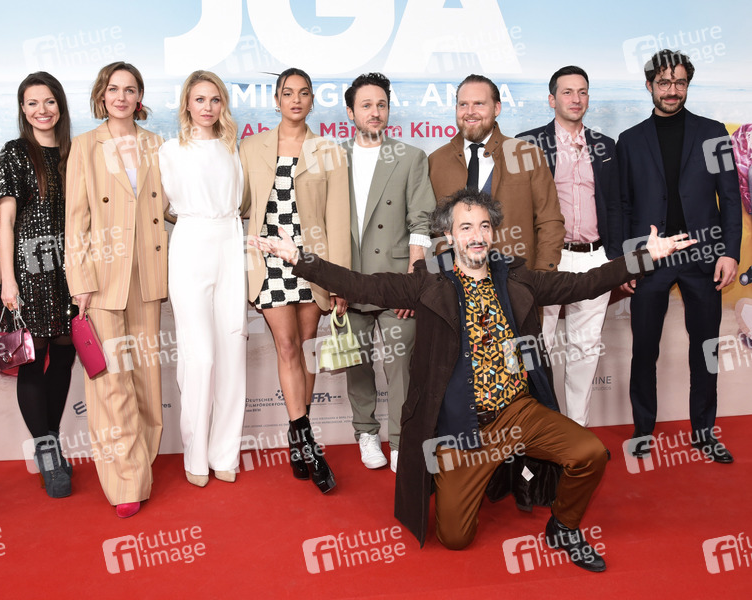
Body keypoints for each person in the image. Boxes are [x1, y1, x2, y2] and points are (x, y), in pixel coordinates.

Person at [251, 188, 694, 571]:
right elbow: (362, 285)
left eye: (484, 226)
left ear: (493, 232)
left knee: (590, 453)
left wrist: (642, 258)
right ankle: (477, 475)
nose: (477, 235)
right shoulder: (428, 284)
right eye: (466, 227)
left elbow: (583, 283)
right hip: (460, 429)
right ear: (449, 235)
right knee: (455, 537)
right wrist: (299, 259)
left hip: (517, 412)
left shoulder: (517, 279)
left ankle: (563, 526)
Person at [618, 50, 742, 463]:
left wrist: (729, 253)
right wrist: (628, 260)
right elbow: (623, 206)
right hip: (650, 258)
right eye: (664, 83)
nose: (672, 91)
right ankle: (642, 431)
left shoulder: (713, 133)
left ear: (687, 84)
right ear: (649, 85)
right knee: (644, 351)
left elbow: (730, 198)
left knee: (705, 350)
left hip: (703, 256)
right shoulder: (629, 140)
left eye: (680, 83)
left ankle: (704, 433)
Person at [239, 67, 351, 494]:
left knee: (305, 349)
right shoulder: (251, 147)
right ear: (276, 100)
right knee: (286, 346)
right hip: (270, 261)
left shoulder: (329, 150)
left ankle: (296, 436)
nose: (296, 100)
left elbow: (338, 219)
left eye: (304, 93)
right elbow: (241, 202)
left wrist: (339, 281)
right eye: (288, 93)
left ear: (311, 100)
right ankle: (306, 442)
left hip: (312, 263)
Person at [64, 61, 168, 518]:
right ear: (101, 95)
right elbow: (76, 220)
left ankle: (141, 462)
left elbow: (169, 206)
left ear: (139, 97)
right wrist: (80, 281)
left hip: (148, 274)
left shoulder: (157, 144)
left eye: (129, 89)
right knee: (111, 383)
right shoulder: (85, 146)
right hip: (103, 277)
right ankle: (125, 479)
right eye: (113, 89)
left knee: (146, 377)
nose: (121, 97)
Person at [516, 66, 622, 426]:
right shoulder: (527, 144)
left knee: (585, 349)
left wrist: (616, 258)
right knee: (538, 348)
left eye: (582, 92)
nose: (576, 99)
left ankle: (577, 431)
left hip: (594, 258)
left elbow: (617, 204)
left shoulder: (606, 146)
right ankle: (540, 435)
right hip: (548, 260)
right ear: (552, 99)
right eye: (567, 92)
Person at [341, 72, 435, 472]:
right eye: (366, 105)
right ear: (351, 112)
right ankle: (365, 431)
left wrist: (414, 282)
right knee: (356, 362)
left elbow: (421, 221)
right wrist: (333, 280)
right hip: (349, 279)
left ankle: (400, 440)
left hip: (397, 281)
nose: (375, 112)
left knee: (401, 366)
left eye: (381, 104)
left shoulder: (410, 157)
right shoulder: (333, 158)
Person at [159, 70, 246, 488]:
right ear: (186, 104)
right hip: (190, 243)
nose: (207, 107)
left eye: (214, 99)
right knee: (200, 356)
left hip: (230, 241)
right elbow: (160, 206)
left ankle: (224, 452)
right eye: (199, 99)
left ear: (222, 104)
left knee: (232, 351)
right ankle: (194, 454)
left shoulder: (232, 149)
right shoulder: (169, 150)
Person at [0, 71, 77, 498]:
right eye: (32, 103)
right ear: (22, 109)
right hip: (30, 273)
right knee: (33, 359)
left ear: (60, 105)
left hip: (70, 272)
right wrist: (8, 281)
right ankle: (47, 454)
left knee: (64, 357)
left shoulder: (74, 152)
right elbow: (5, 221)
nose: (41, 110)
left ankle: (53, 440)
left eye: (48, 101)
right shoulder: (15, 153)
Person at [429, 74, 564, 271]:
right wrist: (442, 277)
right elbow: (431, 230)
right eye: (463, 104)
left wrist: (542, 275)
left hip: (518, 280)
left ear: (497, 108)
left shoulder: (527, 155)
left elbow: (549, 221)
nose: (470, 112)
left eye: (479, 104)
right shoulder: (436, 161)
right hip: (454, 282)